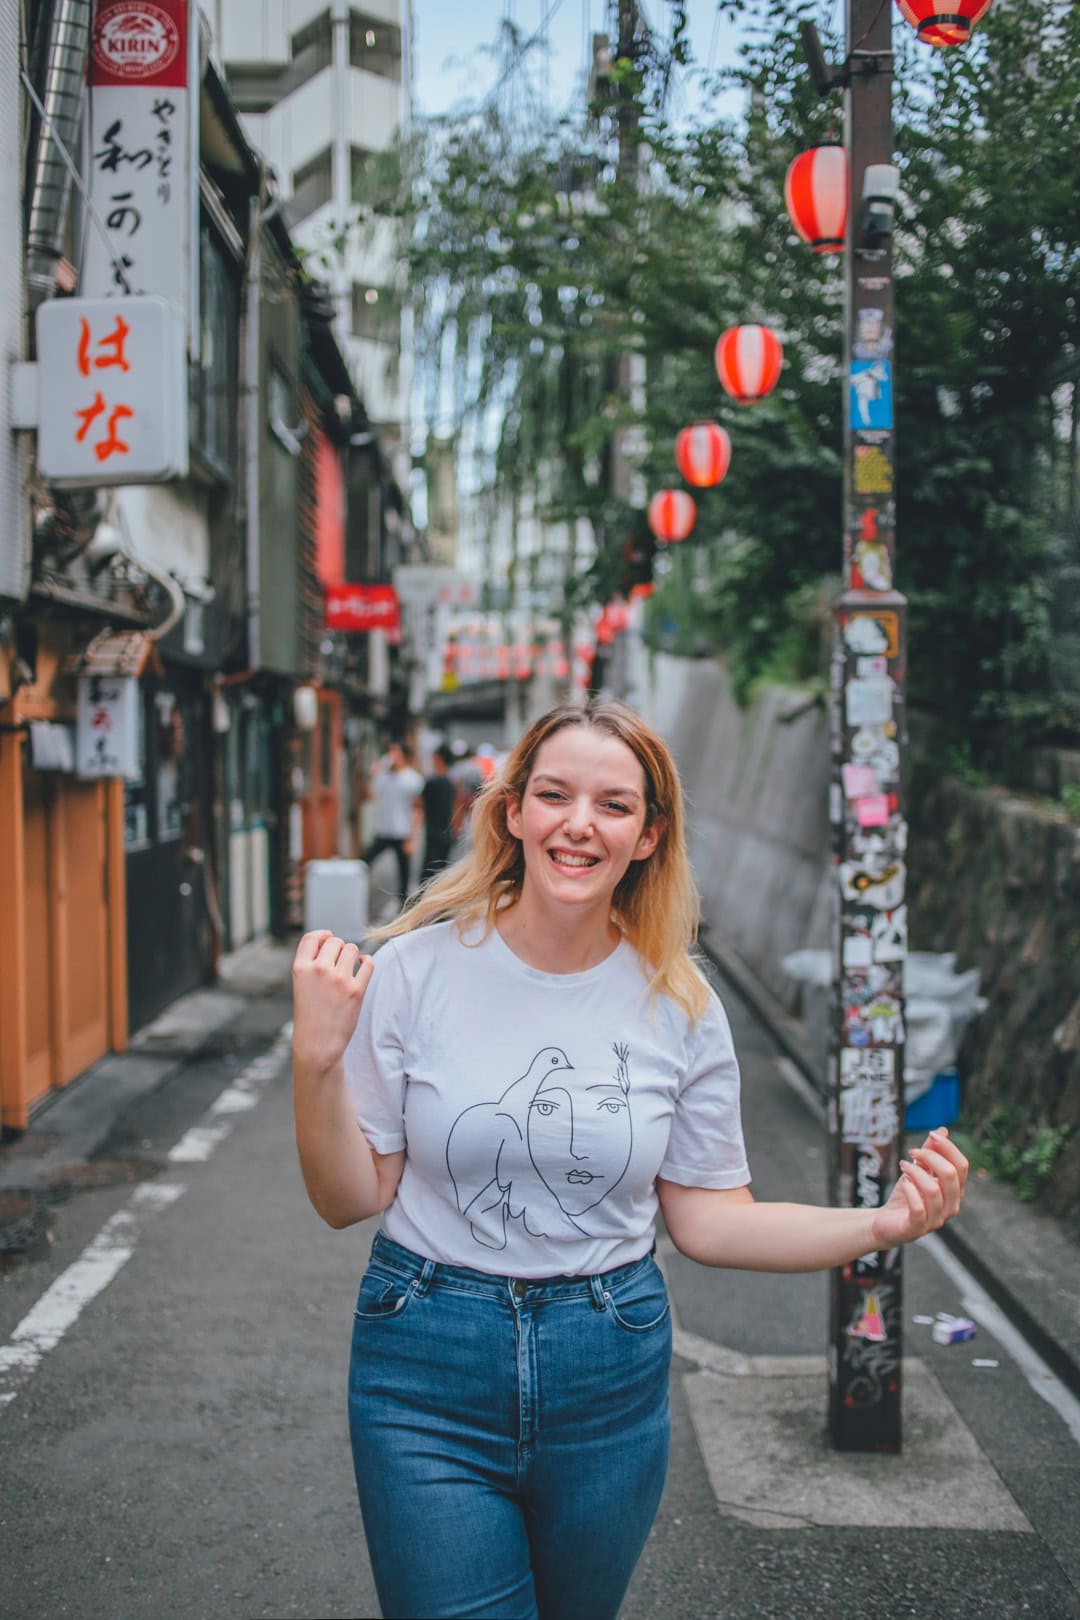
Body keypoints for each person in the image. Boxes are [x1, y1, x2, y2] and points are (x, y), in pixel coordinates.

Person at [291, 699, 968, 1620]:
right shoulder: (415, 972)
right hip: (425, 1362)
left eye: (613, 805)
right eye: (554, 795)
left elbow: (711, 1218)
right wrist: (316, 1064)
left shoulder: (680, 1004)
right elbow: (345, 1199)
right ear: (514, 813)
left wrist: (881, 1226)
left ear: (649, 835)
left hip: (604, 1363)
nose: (579, 824)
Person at [362, 738, 424, 910]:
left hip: (402, 831)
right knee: (364, 862)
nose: (392, 756)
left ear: (403, 755)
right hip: (383, 830)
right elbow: (369, 795)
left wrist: (413, 837)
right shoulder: (383, 776)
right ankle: (359, 896)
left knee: (404, 873)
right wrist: (376, 773)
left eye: (395, 752)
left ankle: (403, 907)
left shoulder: (413, 779)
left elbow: (418, 809)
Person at [419, 741, 457, 884]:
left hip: (433, 834)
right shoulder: (451, 782)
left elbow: (418, 804)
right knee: (441, 873)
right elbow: (455, 808)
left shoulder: (431, 782)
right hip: (446, 834)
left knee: (428, 875)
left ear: (438, 759)